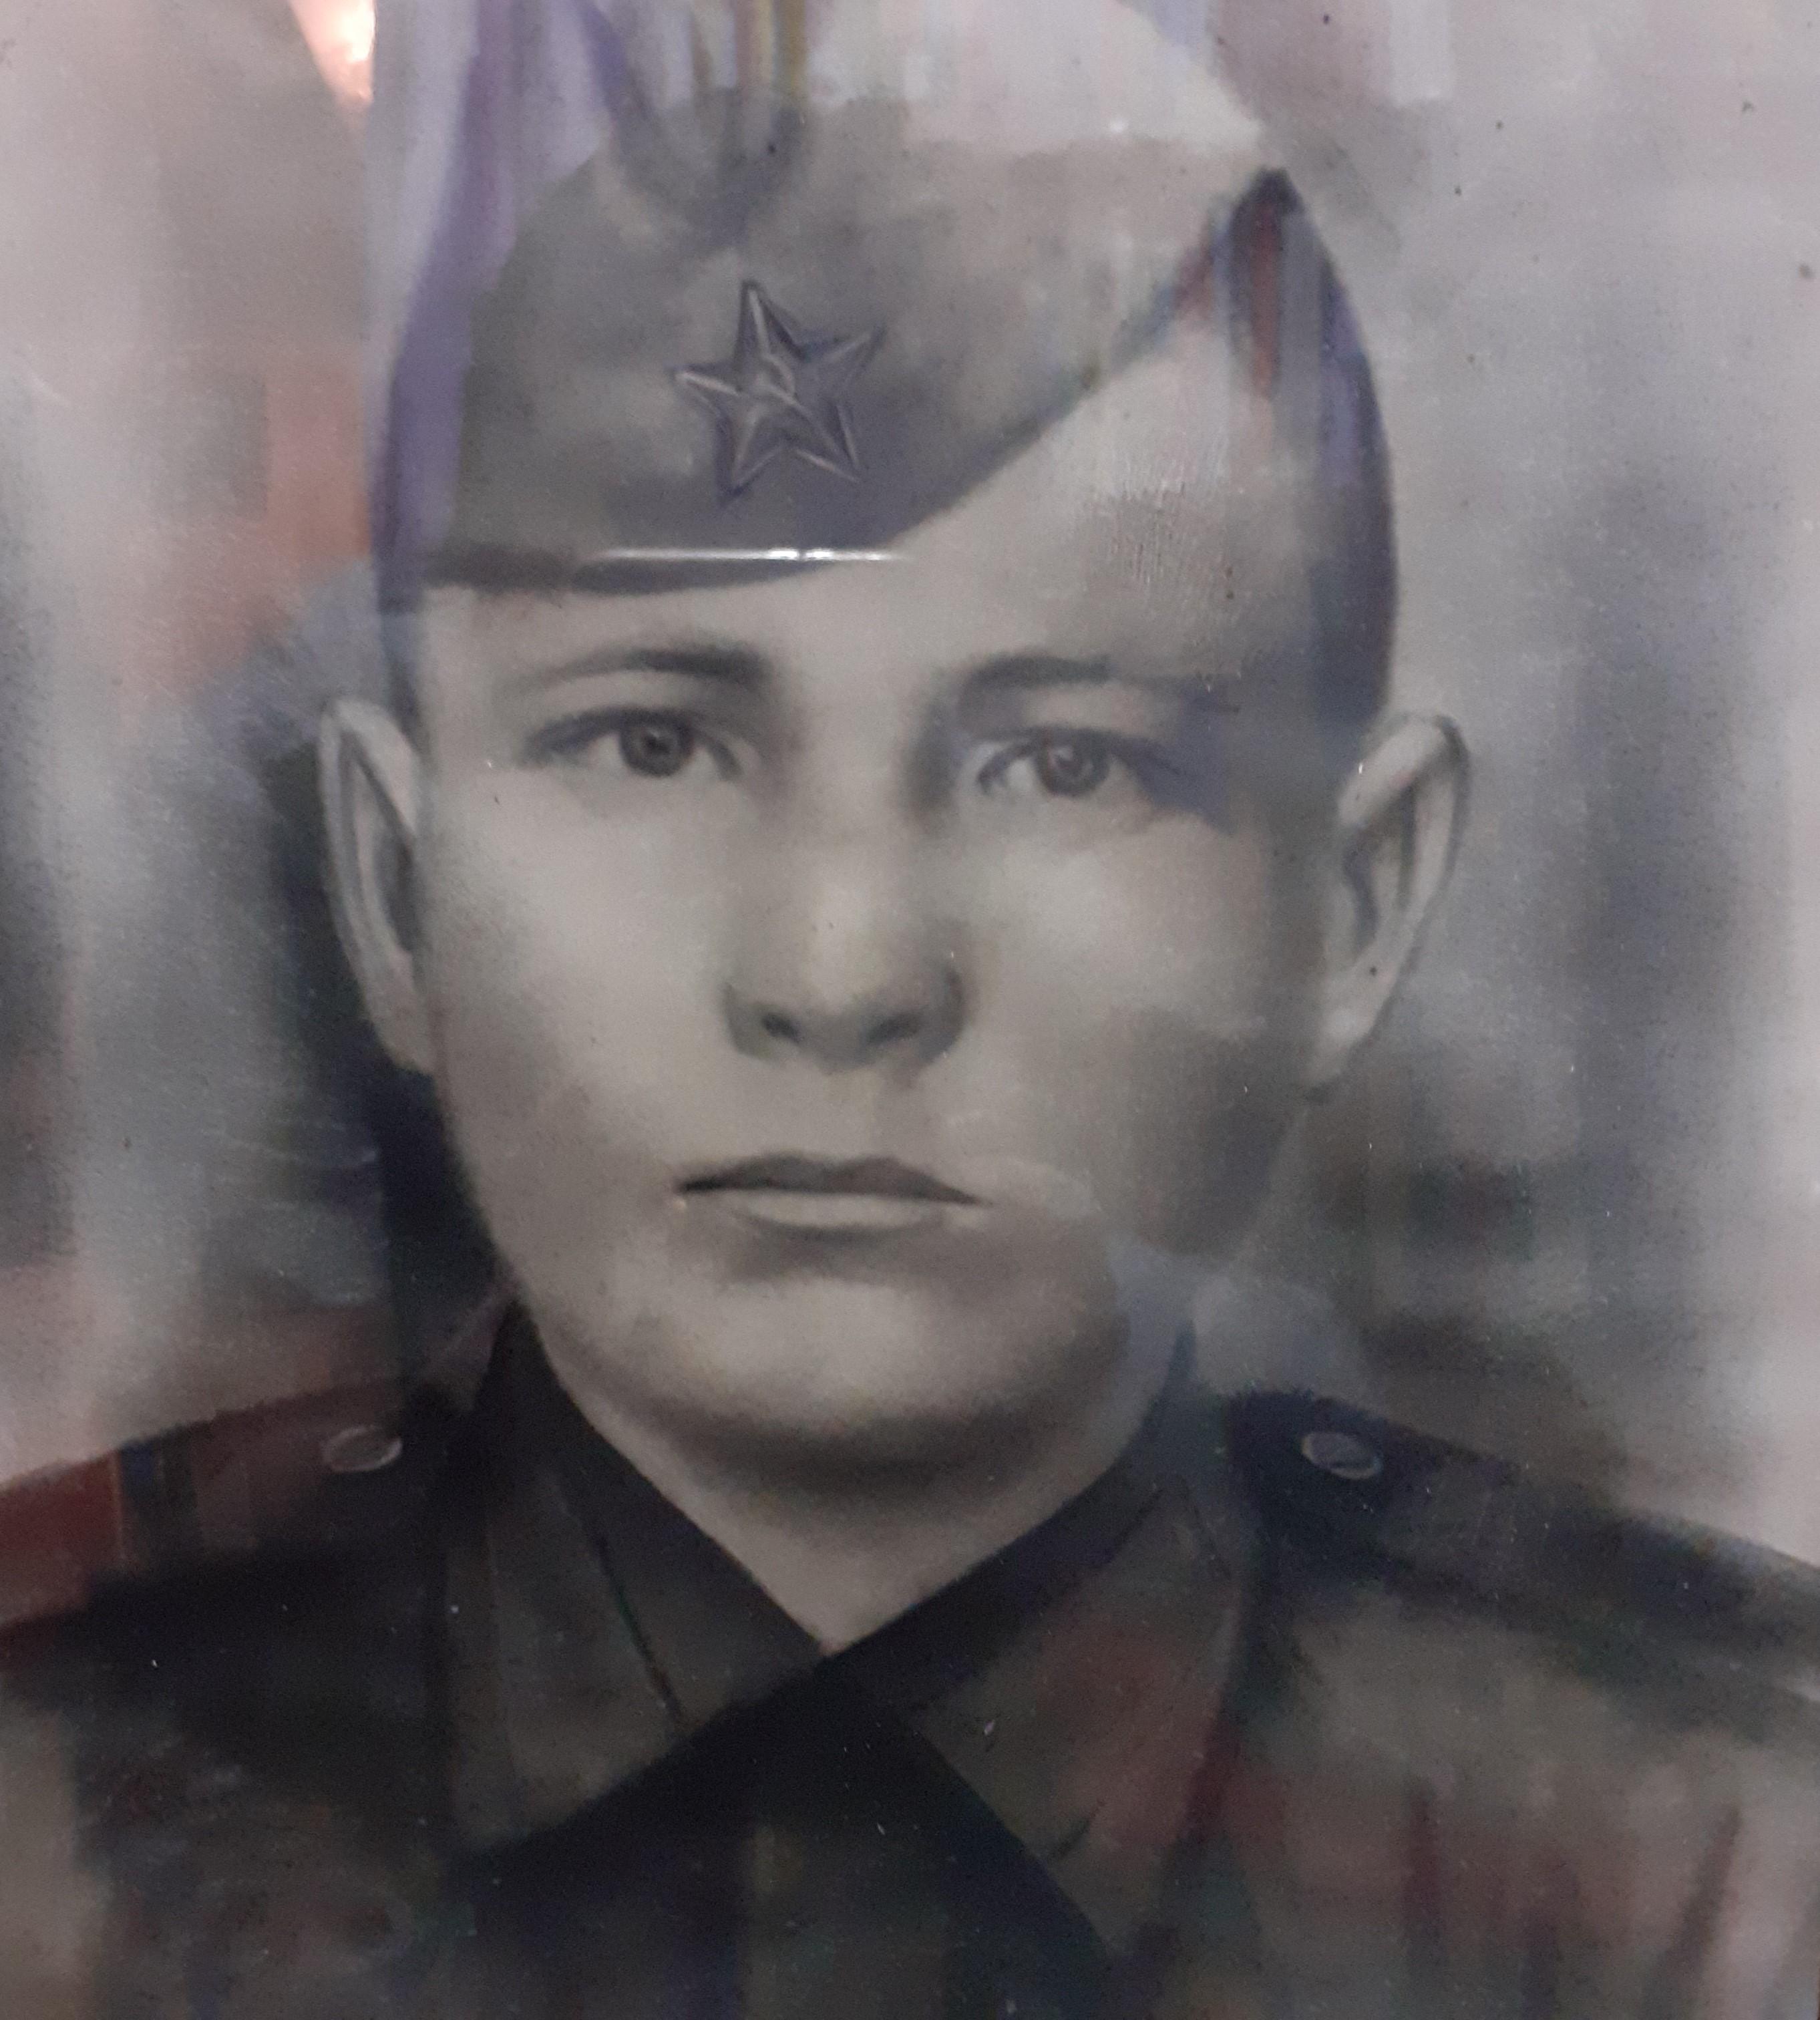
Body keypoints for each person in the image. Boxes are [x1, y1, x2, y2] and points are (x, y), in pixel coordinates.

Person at [3, 3, 1818, 2014]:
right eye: (653, 745)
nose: (842, 976)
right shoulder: (57, 1799)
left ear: (1356, 904)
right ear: (392, 878)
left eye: (1066, 764)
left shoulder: (1712, 1860)